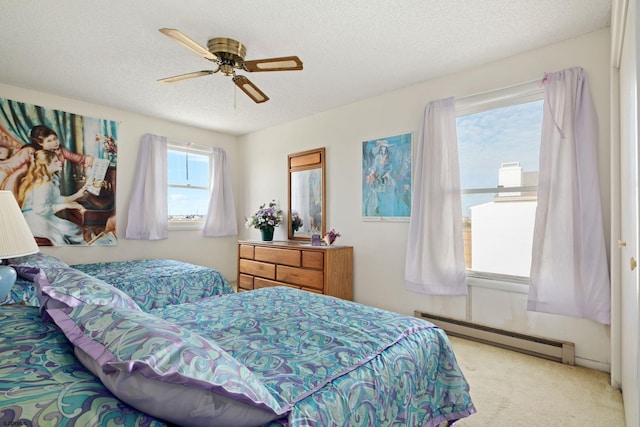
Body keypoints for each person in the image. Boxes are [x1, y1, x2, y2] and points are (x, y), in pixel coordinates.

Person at [17, 150, 88, 245]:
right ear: (47, 165)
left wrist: (77, 195)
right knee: (62, 235)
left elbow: (56, 200)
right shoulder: (43, 184)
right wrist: (67, 205)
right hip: (34, 219)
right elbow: (40, 209)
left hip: (42, 216)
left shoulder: (50, 179)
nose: (60, 162)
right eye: (55, 161)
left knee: (73, 229)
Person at [0, 124, 94, 194]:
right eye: (49, 141)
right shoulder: (30, 151)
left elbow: (78, 159)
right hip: (29, 181)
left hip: (49, 183)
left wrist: (88, 158)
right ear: (40, 143)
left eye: (55, 139)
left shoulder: (60, 150)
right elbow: (10, 166)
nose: (55, 142)